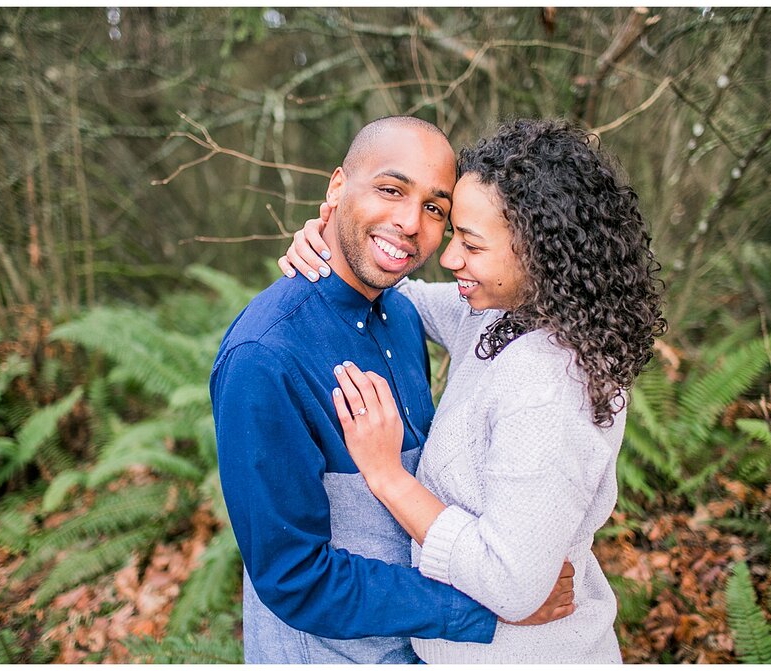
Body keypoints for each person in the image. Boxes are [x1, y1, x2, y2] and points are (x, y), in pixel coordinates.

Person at [280, 118, 666, 662]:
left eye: (472, 244)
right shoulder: (501, 313)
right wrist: (330, 239)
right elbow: (400, 295)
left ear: (540, 254)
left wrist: (387, 476)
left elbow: (513, 586)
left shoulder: (550, 388)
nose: (450, 258)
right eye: (453, 231)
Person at [210, 116, 573, 665]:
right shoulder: (264, 357)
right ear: (336, 188)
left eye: (435, 208)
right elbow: (295, 579)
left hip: (421, 650)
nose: (410, 222)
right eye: (390, 189)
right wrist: (491, 606)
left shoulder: (402, 314)